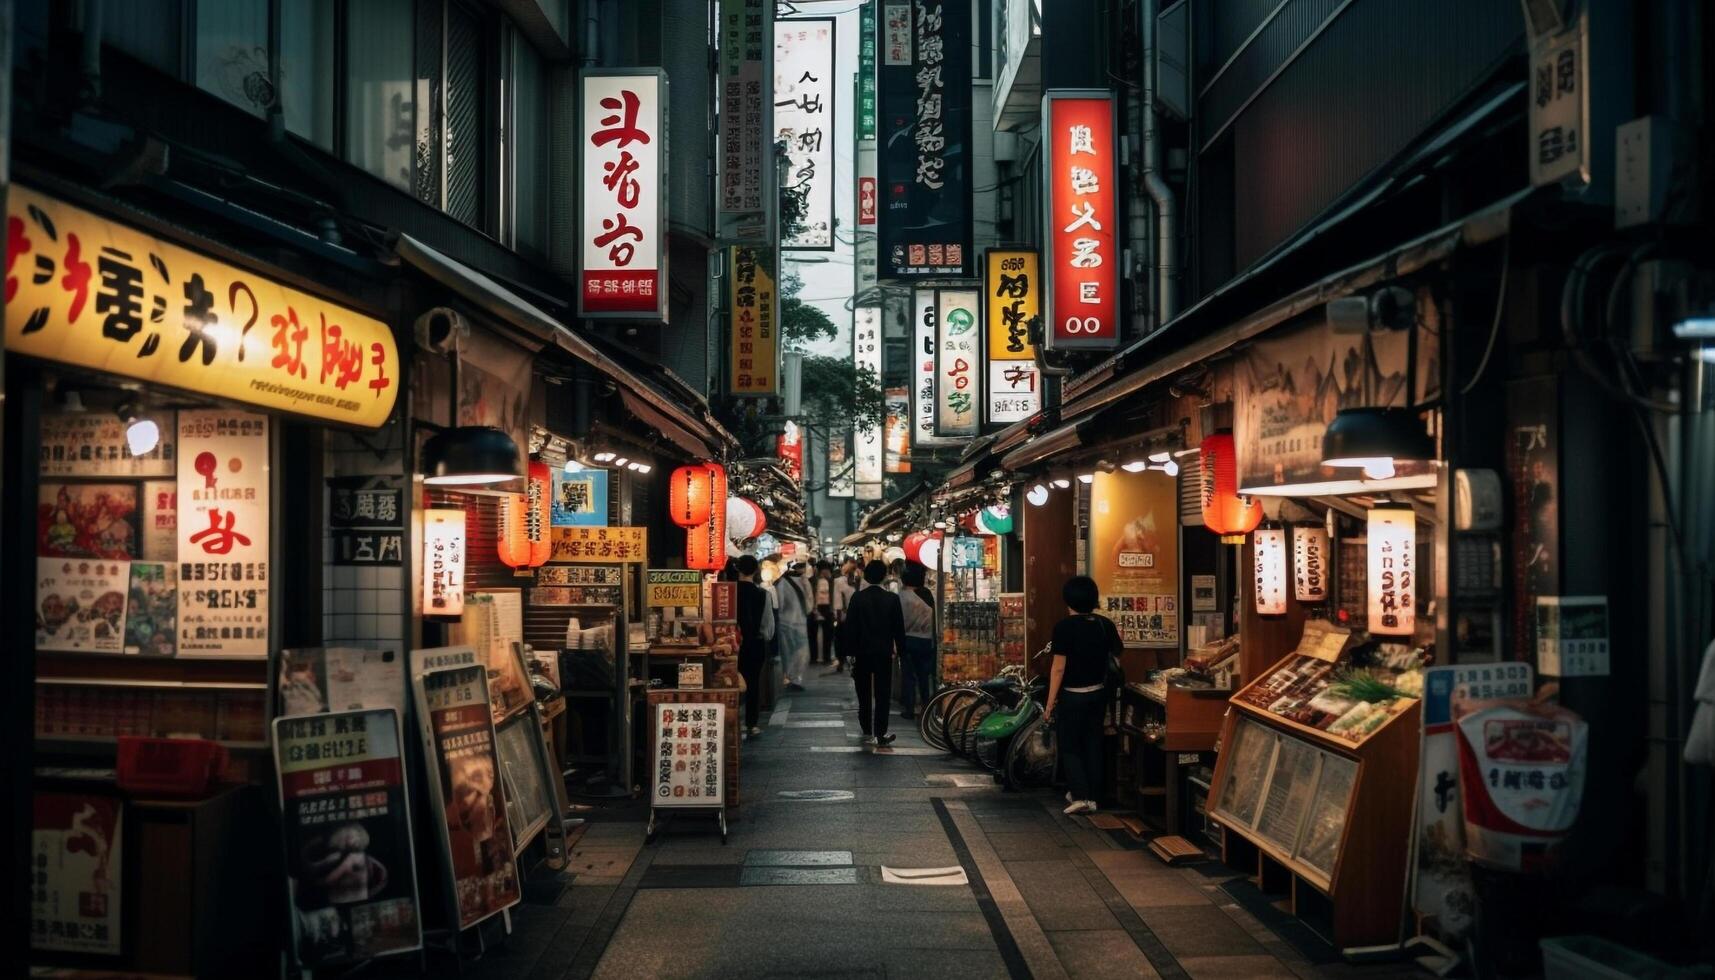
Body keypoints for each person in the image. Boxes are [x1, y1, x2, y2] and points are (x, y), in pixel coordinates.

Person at [1043, 575, 1122, 814]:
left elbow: (1058, 668)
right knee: (1093, 743)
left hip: (1073, 695)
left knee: (1070, 745)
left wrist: (1049, 703)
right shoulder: (1104, 624)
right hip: (1098, 694)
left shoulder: (1064, 627)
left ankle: (1081, 796)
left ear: (1068, 600)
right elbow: (1117, 656)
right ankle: (1094, 796)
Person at [841, 560, 906, 745]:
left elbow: (850, 627)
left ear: (866, 576)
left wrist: (849, 652)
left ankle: (866, 728)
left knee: (863, 692)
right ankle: (880, 731)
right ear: (884, 576)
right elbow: (898, 629)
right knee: (882, 692)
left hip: (862, 652)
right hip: (883, 652)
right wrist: (901, 651)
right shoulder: (892, 599)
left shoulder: (857, 598)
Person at [734, 555, 775, 737]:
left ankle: (731, 720)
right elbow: (768, 626)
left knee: (729, 683)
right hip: (755, 644)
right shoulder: (763, 594)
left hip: (730, 644)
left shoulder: (727, 591)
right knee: (752, 684)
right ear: (756, 571)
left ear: (738, 570)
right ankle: (752, 724)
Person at [897, 562, 936, 720]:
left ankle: (909, 708)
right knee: (923, 676)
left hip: (907, 639)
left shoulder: (902, 596)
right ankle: (926, 707)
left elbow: (897, 620)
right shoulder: (927, 594)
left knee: (908, 676)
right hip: (926, 640)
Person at [775, 561, 811, 692]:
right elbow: (809, 605)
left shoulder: (782, 583)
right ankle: (796, 678)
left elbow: (780, 604)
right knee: (801, 652)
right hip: (800, 622)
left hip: (786, 623)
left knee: (788, 653)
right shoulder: (804, 582)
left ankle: (790, 678)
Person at [828, 559, 860, 674]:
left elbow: (837, 601)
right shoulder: (858, 581)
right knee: (854, 639)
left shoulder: (839, 581)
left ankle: (841, 662)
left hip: (844, 616)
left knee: (840, 640)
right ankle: (852, 662)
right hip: (855, 616)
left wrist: (837, 616)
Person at [809, 561, 835, 665]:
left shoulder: (832, 581)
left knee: (828, 634)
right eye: (825, 570)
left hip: (828, 607)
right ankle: (813, 657)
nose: (827, 572)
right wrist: (813, 608)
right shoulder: (812, 581)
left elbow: (834, 594)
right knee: (812, 633)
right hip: (814, 607)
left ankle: (826, 657)